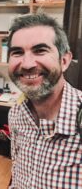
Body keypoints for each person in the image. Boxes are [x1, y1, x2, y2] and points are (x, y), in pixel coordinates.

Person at [7, 13, 82, 188]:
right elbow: (17, 173)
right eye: (17, 52)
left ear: (64, 60)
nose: (27, 64)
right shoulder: (16, 114)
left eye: (40, 50)